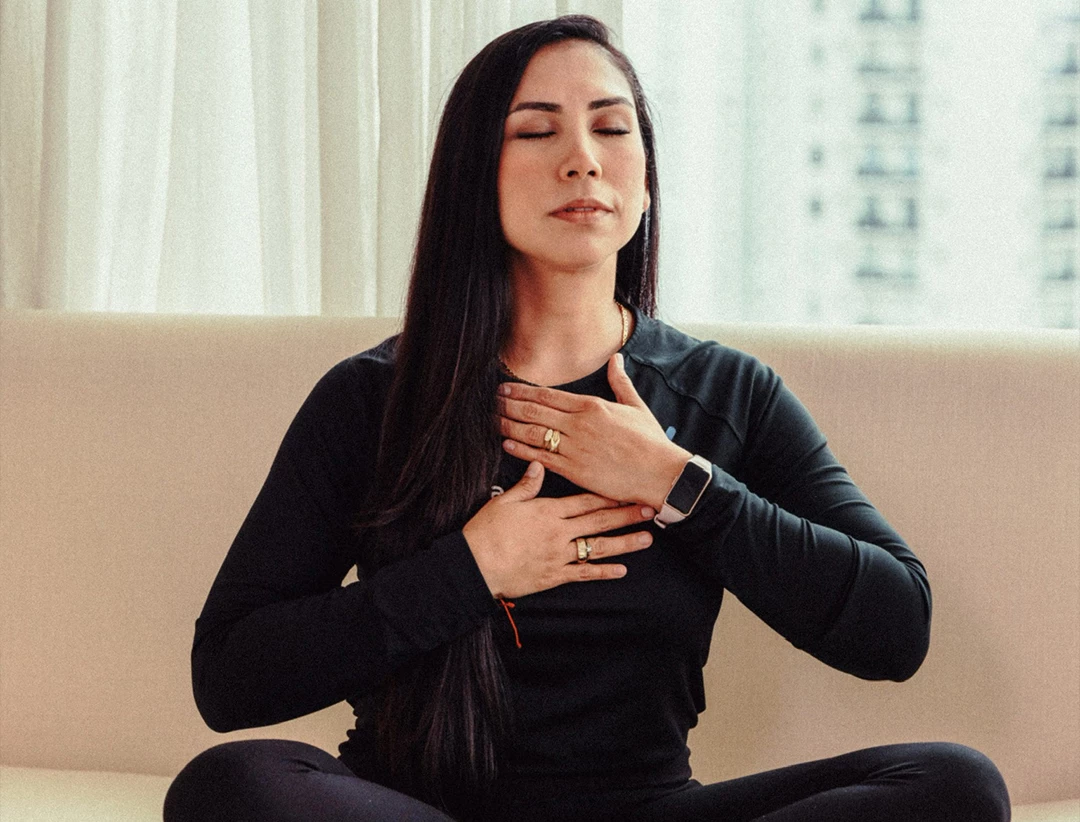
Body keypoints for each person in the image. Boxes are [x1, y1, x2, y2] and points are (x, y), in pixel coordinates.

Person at [164, 15, 1010, 822]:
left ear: (645, 175)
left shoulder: (725, 393)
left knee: (954, 785)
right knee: (231, 786)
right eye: (537, 132)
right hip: (412, 807)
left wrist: (678, 484)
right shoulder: (371, 399)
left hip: (647, 807)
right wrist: (473, 568)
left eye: (611, 128)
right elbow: (230, 676)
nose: (582, 160)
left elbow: (897, 629)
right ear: (475, 174)